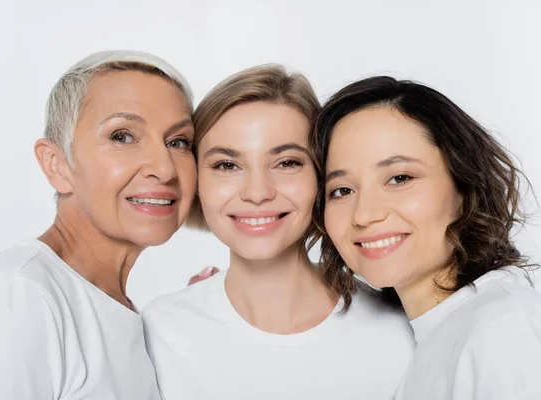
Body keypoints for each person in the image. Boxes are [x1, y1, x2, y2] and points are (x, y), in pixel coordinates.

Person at [142, 65, 415, 400]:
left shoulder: (401, 334)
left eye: (286, 162)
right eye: (227, 165)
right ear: (197, 181)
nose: (257, 192)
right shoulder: (158, 332)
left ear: (322, 174)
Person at [0, 50, 196, 399]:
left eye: (178, 142)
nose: (165, 168)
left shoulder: (125, 313)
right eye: (122, 136)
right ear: (56, 164)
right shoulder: (18, 294)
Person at [312, 76, 541, 399]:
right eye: (342, 190)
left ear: (464, 189)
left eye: (399, 178)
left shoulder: (505, 326)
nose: (364, 214)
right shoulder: (429, 340)